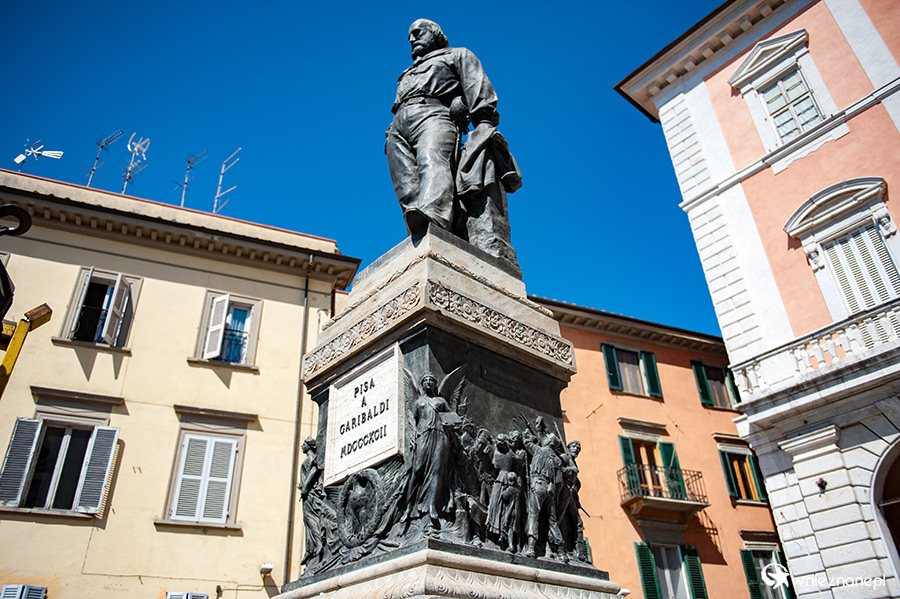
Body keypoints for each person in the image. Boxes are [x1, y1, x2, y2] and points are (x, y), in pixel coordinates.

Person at [386, 19, 520, 269]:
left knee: (432, 161)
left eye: (418, 33)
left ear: (435, 34)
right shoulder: (405, 74)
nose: (412, 38)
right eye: (409, 36)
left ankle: (434, 218)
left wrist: (482, 121)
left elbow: (476, 84)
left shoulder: (456, 55)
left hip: (435, 114)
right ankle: (418, 231)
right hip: (398, 124)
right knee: (405, 182)